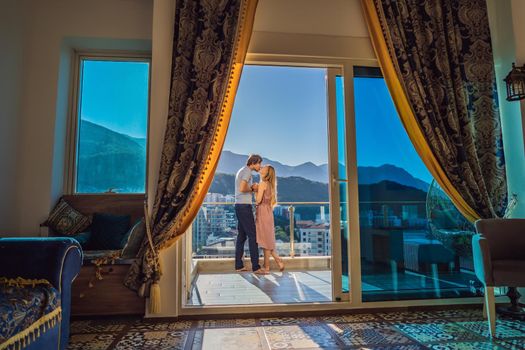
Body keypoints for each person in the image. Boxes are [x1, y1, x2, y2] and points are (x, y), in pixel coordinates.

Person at [234, 154, 265, 274]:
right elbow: (242, 188)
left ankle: (238, 265)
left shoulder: (242, 170)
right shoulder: (247, 172)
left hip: (239, 205)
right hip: (244, 207)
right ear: (253, 163)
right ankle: (256, 267)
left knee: (241, 237)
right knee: (253, 236)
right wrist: (254, 189)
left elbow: (241, 188)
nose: (260, 166)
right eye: (259, 163)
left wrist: (251, 187)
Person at [255, 165, 285, 273]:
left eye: (264, 168)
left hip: (262, 212)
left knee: (265, 241)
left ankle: (267, 267)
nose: (261, 167)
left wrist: (255, 190)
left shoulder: (263, 184)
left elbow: (258, 200)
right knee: (266, 240)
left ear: (267, 173)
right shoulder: (270, 185)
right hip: (268, 212)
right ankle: (277, 260)